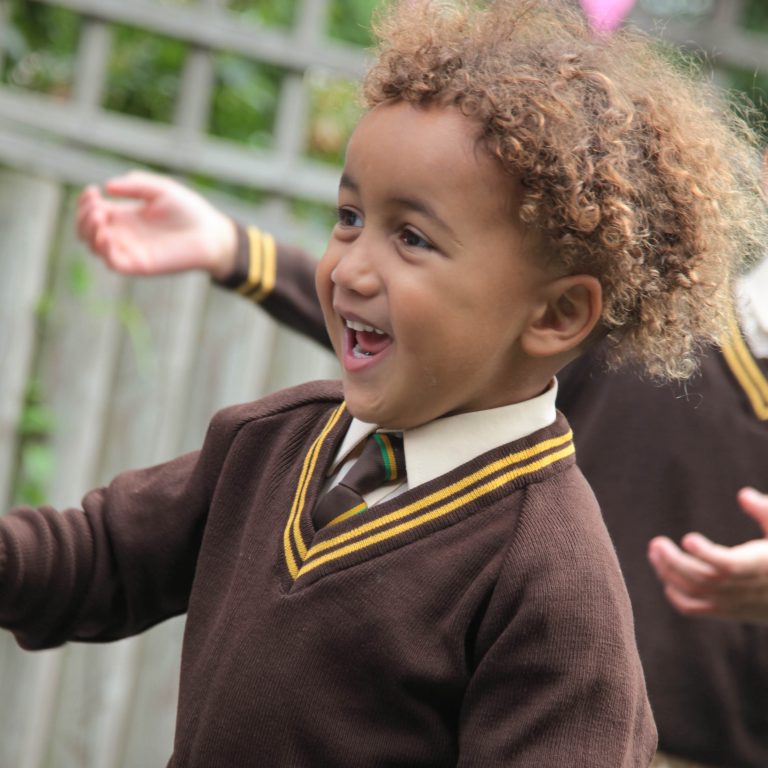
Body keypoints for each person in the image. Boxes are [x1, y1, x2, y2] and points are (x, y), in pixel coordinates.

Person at [9, 0, 768, 765]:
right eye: (347, 217)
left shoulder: (552, 585)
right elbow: (95, 558)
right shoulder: (269, 443)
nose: (351, 267)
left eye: (411, 236)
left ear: (558, 314)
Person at [78, 174, 768, 768]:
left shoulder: (556, 562)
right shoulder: (647, 336)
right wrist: (239, 253)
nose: (353, 267)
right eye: (347, 218)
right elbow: (443, 330)